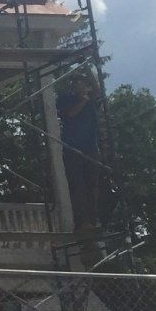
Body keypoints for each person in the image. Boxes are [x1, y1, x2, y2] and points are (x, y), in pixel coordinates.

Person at [55, 73, 108, 232]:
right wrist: (83, 101)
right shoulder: (66, 99)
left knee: (93, 186)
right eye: (78, 83)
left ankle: (93, 220)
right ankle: (82, 221)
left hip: (90, 148)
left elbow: (98, 90)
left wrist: (88, 68)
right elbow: (70, 114)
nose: (81, 86)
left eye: (84, 83)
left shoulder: (91, 100)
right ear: (73, 85)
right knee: (78, 186)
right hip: (73, 148)